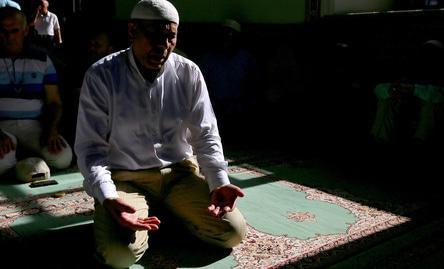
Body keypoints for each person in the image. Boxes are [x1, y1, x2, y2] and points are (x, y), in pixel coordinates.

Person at [74, 1, 246, 267]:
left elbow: (206, 135)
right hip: (125, 179)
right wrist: (108, 196)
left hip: (179, 175)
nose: (162, 45)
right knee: (120, 256)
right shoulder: (102, 75)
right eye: (153, 34)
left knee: (232, 232)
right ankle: (150, 213)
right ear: (132, 31)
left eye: (170, 36)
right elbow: (91, 150)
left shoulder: (188, 73)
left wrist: (218, 181)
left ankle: (168, 208)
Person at [0, 6, 72, 178]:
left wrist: (51, 130)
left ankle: (22, 158)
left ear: (25, 31)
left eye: (14, 31)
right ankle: (19, 158)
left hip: (34, 126)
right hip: (1, 127)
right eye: (3, 31)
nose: (9, 37)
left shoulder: (42, 59)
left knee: (63, 158)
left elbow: (54, 102)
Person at [371, 39, 444, 145]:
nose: (428, 58)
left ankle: (419, 141)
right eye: (425, 53)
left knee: (432, 104)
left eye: (432, 53)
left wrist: (414, 90)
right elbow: (380, 87)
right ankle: (379, 139)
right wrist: (391, 90)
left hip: (431, 117)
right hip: (407, 111)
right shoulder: (411, 71)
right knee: (387, 99)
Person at [197, 19, 259, 142]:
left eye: (231, 35)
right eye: (225, 34)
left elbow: (254, 81)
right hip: (215, 107)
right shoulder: (209, 58)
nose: (227, 38)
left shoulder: (245, 57)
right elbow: (200, 84)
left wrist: (245, 102)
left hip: (240, 106)